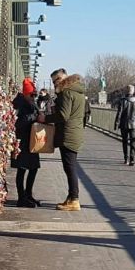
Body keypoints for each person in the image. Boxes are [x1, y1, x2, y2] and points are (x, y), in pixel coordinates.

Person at [42, 68, 86, 211]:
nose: (55, 84)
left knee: (70, 168)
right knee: (70, 167)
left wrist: (45, 118)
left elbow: (63, 115)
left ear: (61, 78)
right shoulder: (78, 91)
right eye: (53, 82)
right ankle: (71, 197)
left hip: (68, 134)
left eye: (56, 80)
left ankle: (74, 199)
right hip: (75, 132)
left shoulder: (66, 93)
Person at [11, 78, 42, 208]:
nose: (33, 97)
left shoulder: (30, 103)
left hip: (31, 141)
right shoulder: (19, 104)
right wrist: (34, 117)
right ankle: (21, 198)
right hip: (22, 141)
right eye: (32, 94)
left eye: (35, 95)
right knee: (22, 170)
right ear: (26, 94)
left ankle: (28, 194)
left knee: (33, 168)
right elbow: (18, 123)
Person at [114, 85, 135, 165]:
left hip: (124, 124)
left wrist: (116, 123)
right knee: (133, 141)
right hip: (134, 124)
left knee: (125, 141)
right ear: (133, 91)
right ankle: (132, 159)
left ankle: (126, 158)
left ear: (126, 91)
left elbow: (119, 113)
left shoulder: (123, 101)